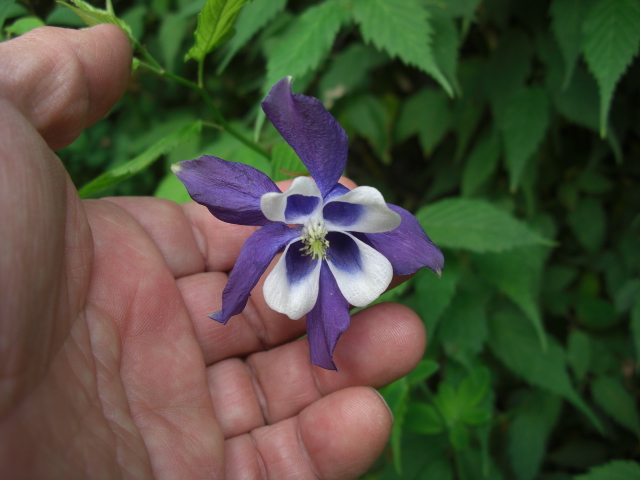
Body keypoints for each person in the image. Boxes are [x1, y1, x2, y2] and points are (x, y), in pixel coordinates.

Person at [0, 25, 426, 479]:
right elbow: (243, 284)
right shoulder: (271, 238)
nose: (315, 239)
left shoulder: (300, 233)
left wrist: (425, 254)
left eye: (313, 236)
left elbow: (404, 242)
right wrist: (228, 308)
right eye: (310, 236)